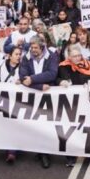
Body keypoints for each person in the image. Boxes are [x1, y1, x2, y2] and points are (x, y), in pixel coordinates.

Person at [19, 36, 59, 168]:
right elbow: (23, 77)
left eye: (36, 48)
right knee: (36, 123)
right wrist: (38, 86)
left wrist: (32, 79)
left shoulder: (52, 56)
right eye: (32, 47)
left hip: (48, 96)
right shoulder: (26, 57)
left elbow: (52, 74)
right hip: (33, 94)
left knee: (47, 123)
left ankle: (45, 153)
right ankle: (41, 151)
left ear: (42, 47)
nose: (33, 50)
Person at [57, 45, 90, 167]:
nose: (77, 58)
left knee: (87, 128)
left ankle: (88, 152)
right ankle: (70, 157)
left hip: (85, 102)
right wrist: (60, 82)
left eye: (79, 55)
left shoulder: (89, 65)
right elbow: (56, 79)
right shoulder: (63, 66)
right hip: (70, 104)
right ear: (69, 57)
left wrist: (89, 84)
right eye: (74, 56)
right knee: (70, 129)